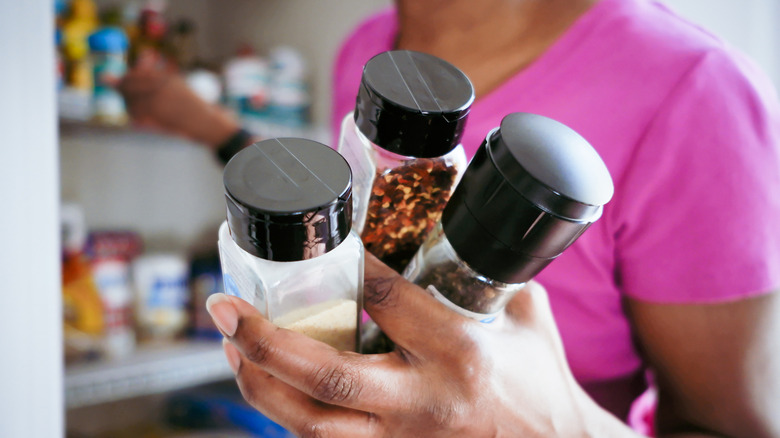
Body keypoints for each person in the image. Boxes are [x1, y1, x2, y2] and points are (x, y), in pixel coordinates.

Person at [121, 0, 780, 435]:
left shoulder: (697, 90)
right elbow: (347, 218)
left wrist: (555, 425)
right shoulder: (372, 47)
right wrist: (217, 134)